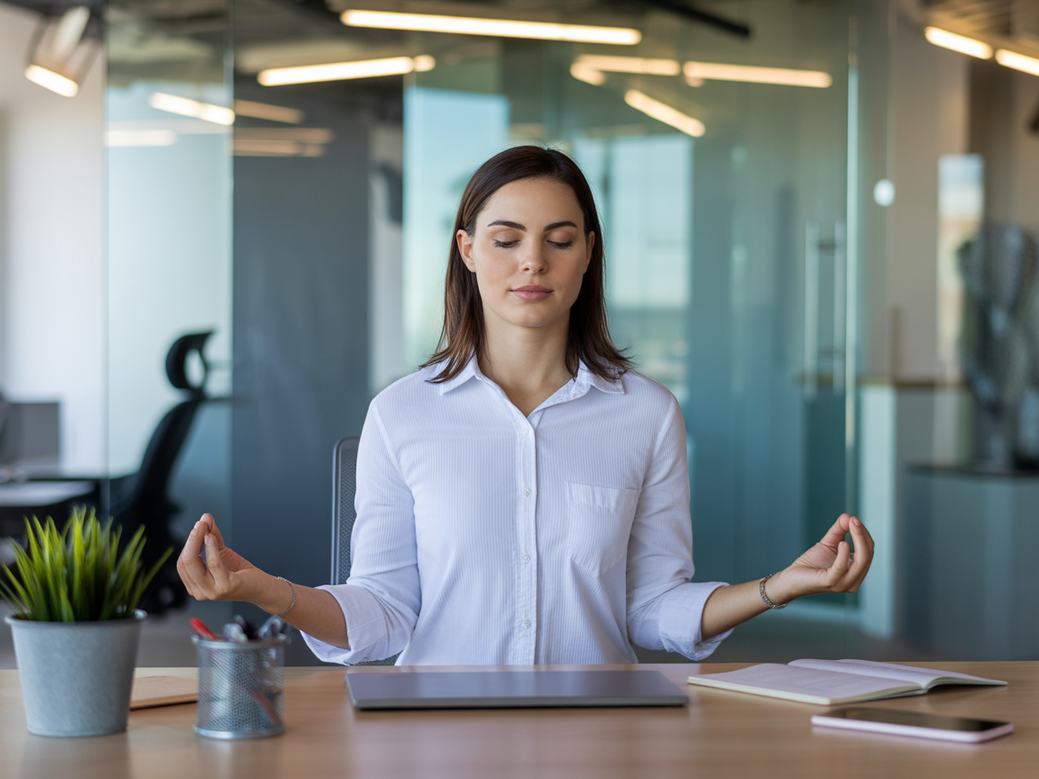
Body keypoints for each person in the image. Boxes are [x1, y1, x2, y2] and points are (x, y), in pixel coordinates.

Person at [177, 146, 874, 665]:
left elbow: (653, 607)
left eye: (559, 240)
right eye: (506, 239)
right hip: (438, 737)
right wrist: (263, 589)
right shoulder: (401, 412)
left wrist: (777, 585)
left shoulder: (647, 413)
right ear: (468, 251)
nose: (532, 262)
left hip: (598, 732)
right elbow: (384, 613)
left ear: (586, 255)